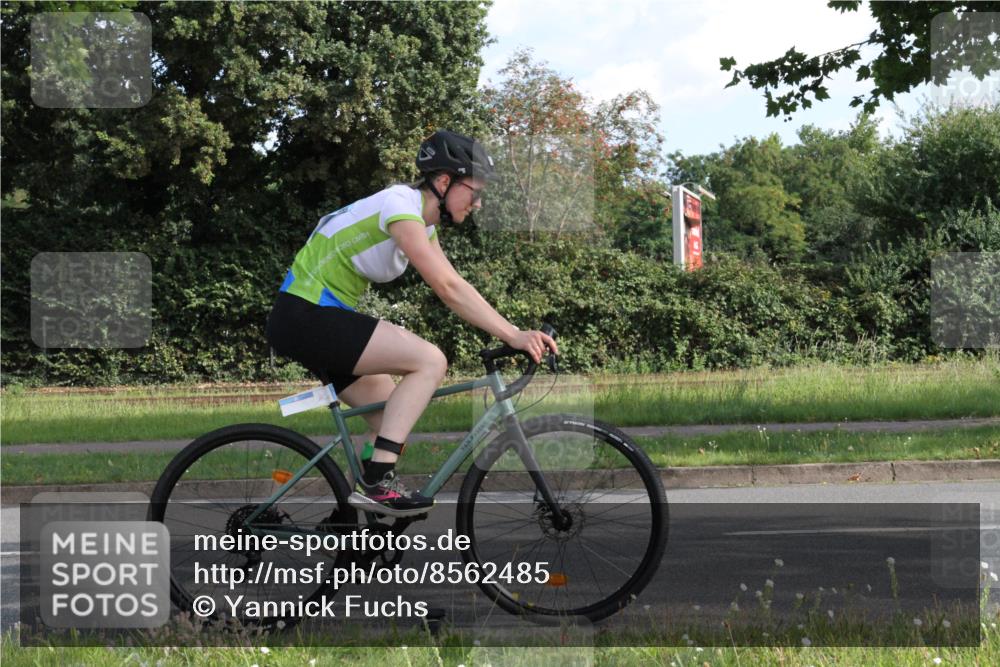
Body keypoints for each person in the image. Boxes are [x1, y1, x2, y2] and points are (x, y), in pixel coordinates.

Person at [266, 130, 558, 517]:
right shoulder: (399, 206)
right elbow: (447, 288)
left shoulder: (423, 223)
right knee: (430, 360)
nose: (479, 203)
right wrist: (512, 335)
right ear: (443, 182)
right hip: (306, 314)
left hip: (317, 317)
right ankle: (375, 485)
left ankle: (348, 523)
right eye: (474, 191)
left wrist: (513, 330)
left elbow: (459, 286)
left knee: (389, 417)